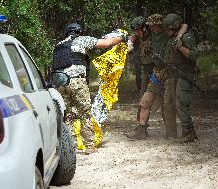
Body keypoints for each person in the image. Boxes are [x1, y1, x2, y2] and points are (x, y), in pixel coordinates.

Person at [52, 23, 126, 153]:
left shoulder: (58, 46)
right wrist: (122, 37)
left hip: (60, 84)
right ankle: (90, 145)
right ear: (78, 32)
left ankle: (71, 147)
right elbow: (107, 43)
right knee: (85, 113)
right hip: (76, 82)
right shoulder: (81, 40)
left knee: (68, 116)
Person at [125, 14, 188, 140]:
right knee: (144, 102)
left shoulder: (166, 32)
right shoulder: (147, 34)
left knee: (167, 104)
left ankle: (171, 133)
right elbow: (135, 35)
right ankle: (141, 130)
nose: (152, 28)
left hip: (169, 72)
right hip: (156, 72)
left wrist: (179, 37)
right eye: (151, 26)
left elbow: (184, 25)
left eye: (154, 26)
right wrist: (131, 41)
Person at [162, 13, 198, 143]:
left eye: (168, 29)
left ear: (175, 26)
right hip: (176, 74)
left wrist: (180, 47)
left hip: (186, 74)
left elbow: (193, 55)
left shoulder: (187, 37)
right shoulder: (174, 37)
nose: (166, 32)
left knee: (182, 104)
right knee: (175, 104)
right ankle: (187, 132)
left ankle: (189, 133)